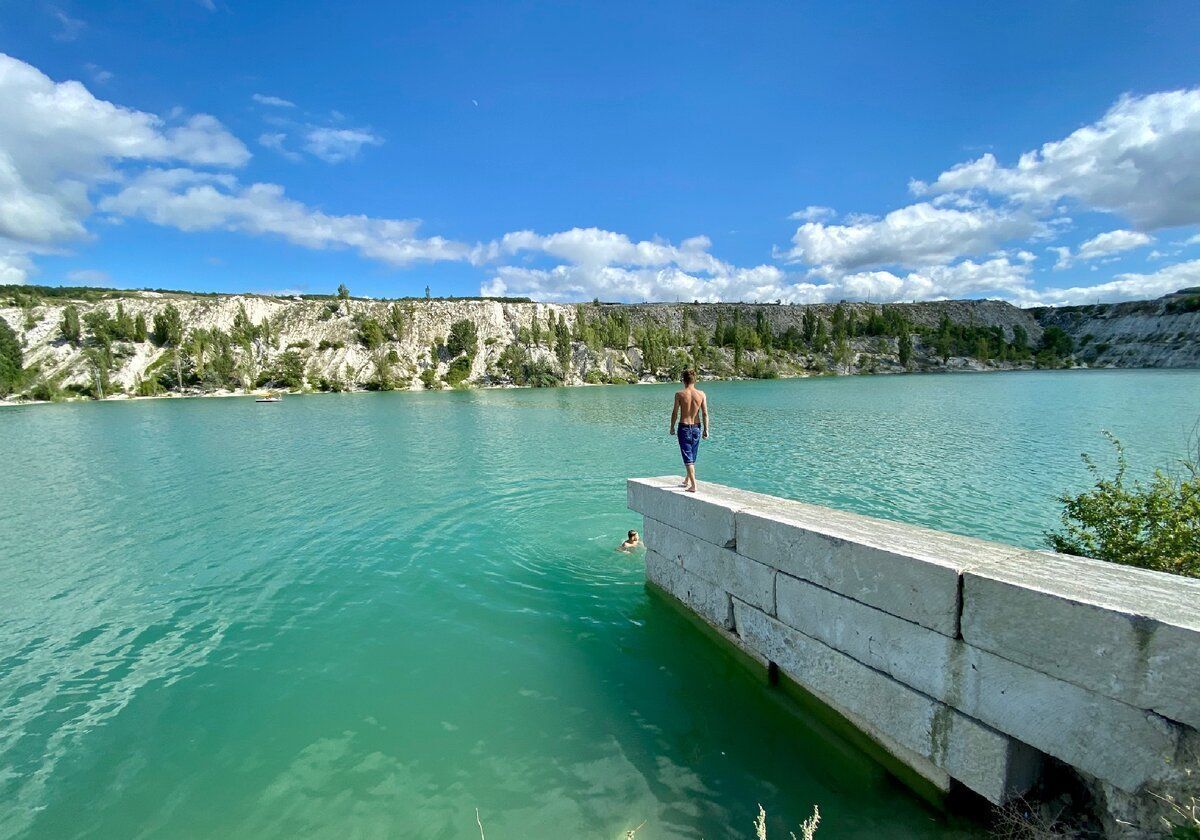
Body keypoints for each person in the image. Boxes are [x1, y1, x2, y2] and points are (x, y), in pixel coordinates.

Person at [670, 369, 709, 493]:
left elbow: (675, 412)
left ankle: (693, 485)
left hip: (684, 427)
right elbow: (705, 413)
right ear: (694, 380)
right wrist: (706, 429)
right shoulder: (701, 394)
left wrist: (671, 427)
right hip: (697, 427)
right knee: (692, 454)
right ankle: (687, 479)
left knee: (687, 456)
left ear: (683, 380)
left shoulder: (679, 394)